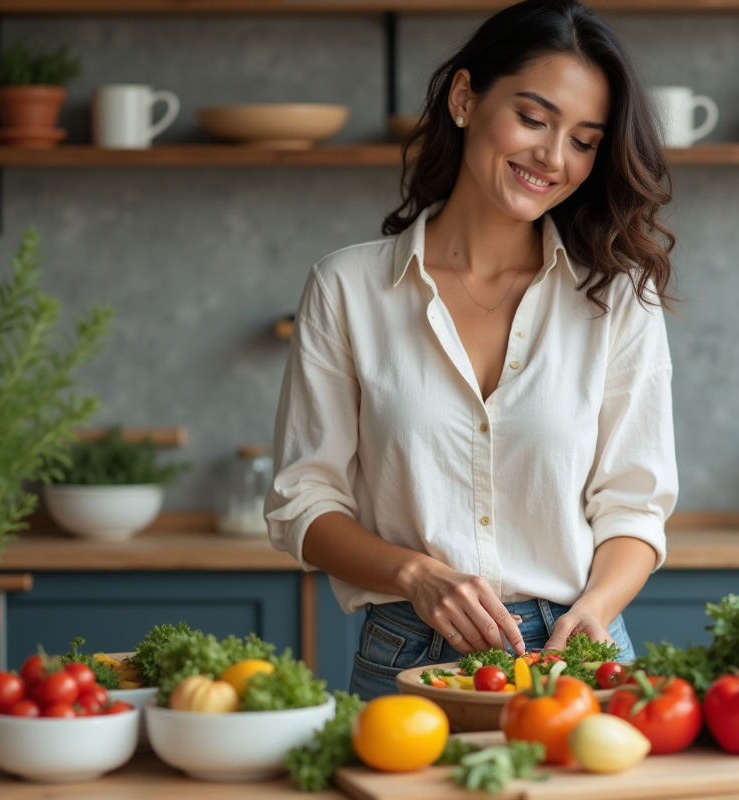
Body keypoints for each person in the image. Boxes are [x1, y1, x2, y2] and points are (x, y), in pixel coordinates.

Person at [266, 0, 678, 700]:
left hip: (575, 651)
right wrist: (416, 574)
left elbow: (636, 506)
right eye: (534, 118)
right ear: (465, 98)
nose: (553, 157)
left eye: (584, 140)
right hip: (409, 651)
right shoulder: (347, 287)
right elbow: (302, 502)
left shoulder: (616, 298)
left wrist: (597, 608)